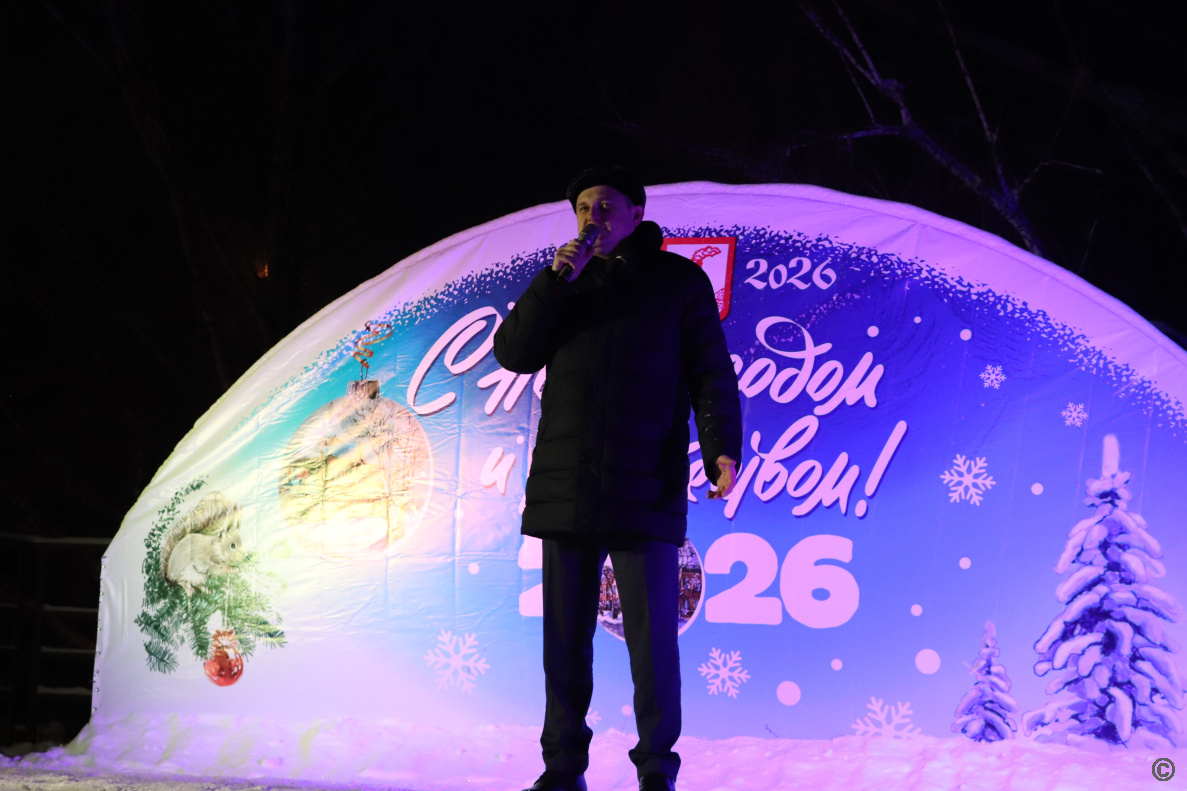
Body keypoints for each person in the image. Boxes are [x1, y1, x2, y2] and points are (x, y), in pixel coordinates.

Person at [494, 166, 743, 791]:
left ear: (637, 213)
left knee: (653, 643)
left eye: (605, 206)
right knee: (564, 643)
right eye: (582, 207)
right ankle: (561, 768)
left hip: (645, 485)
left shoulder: (677, 281)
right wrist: (555, 281)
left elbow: (711, 374)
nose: (592, 218)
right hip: (567, 485)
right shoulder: (564, 281)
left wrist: (722, 450)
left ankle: (657, 769)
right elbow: (514, 353)